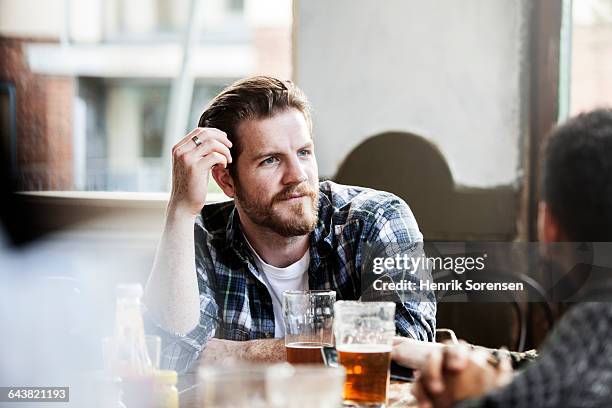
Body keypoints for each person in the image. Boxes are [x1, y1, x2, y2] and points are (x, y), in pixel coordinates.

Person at [144, 76, 436, 373]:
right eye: (270, 160)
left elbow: (402, 347)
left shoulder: (377, 218)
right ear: (227, 179)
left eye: (304, 153)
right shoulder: (200, 236)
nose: (297, 175)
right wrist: (181, 209)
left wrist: (232, 354)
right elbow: (168, 359)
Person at [393, 108, 612, 407]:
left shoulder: (598, 324)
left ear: (549, 226)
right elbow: (550, 367)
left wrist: (465, 393)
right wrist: (449, 355)